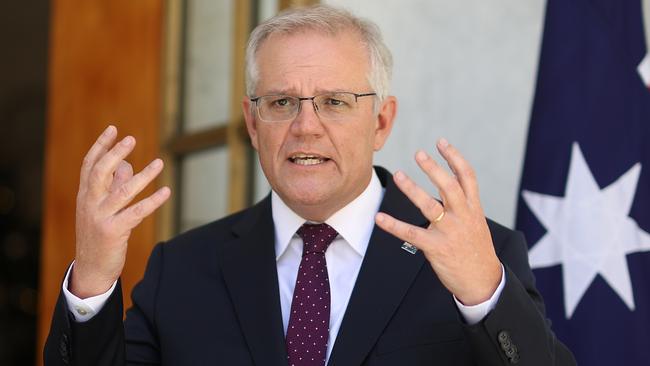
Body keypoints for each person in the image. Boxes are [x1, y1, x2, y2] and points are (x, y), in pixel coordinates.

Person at [44, 5, 575, 366]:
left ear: (382, 124)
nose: (305, 125)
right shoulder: (178, 271)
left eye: (335, 101)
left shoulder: (479, 256)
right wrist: (91, 280)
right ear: (253, 125)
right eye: (280, 103)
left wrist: (485, 297)